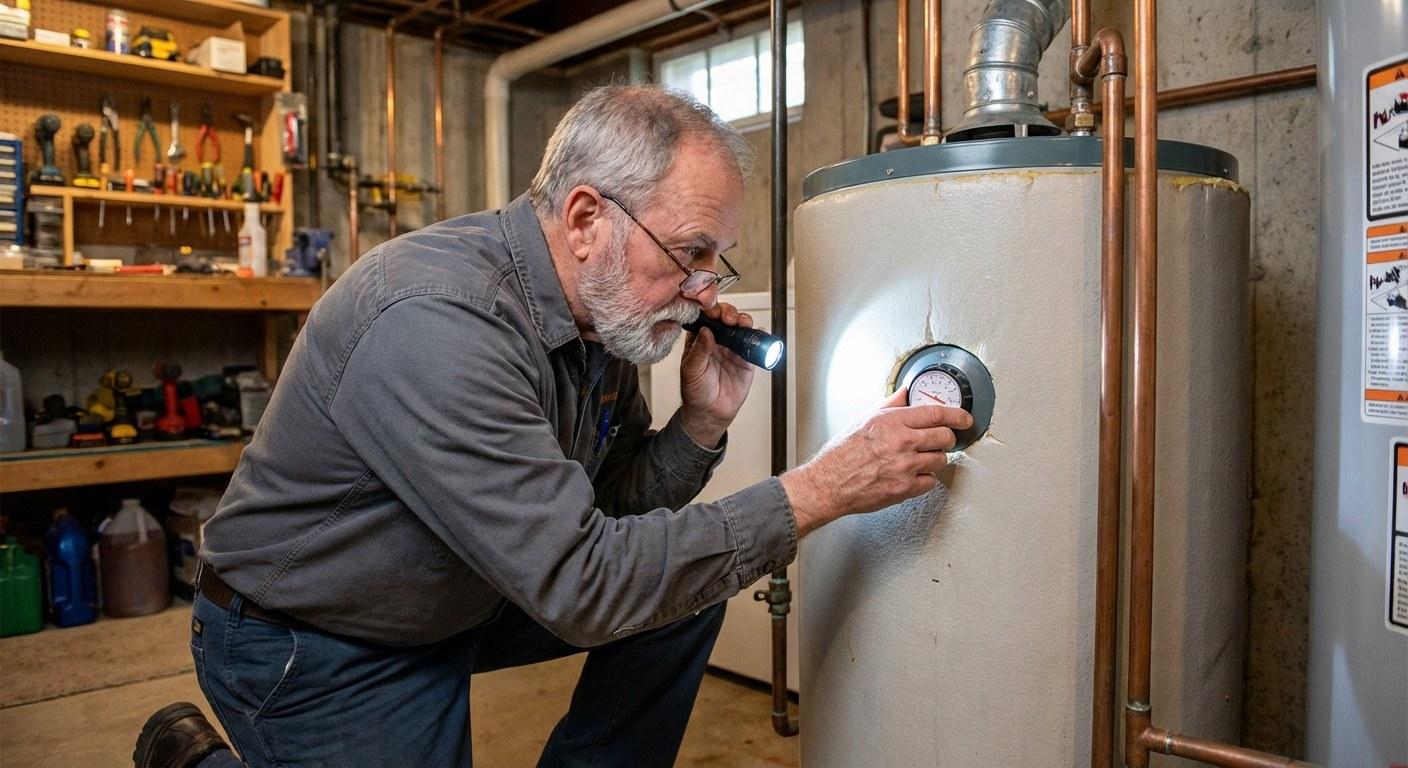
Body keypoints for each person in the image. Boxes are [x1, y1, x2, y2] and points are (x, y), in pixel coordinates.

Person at [133, 84, 970, 768]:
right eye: (690, 252)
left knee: (685, 593)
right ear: (583, 220)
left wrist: (701, 426)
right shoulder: (437, 320)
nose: (706, 288)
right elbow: (582, 581)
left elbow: (611, 517)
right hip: (317, 636)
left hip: (463, 593)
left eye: (719, 257)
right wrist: (816, 490)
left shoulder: (603, 318)